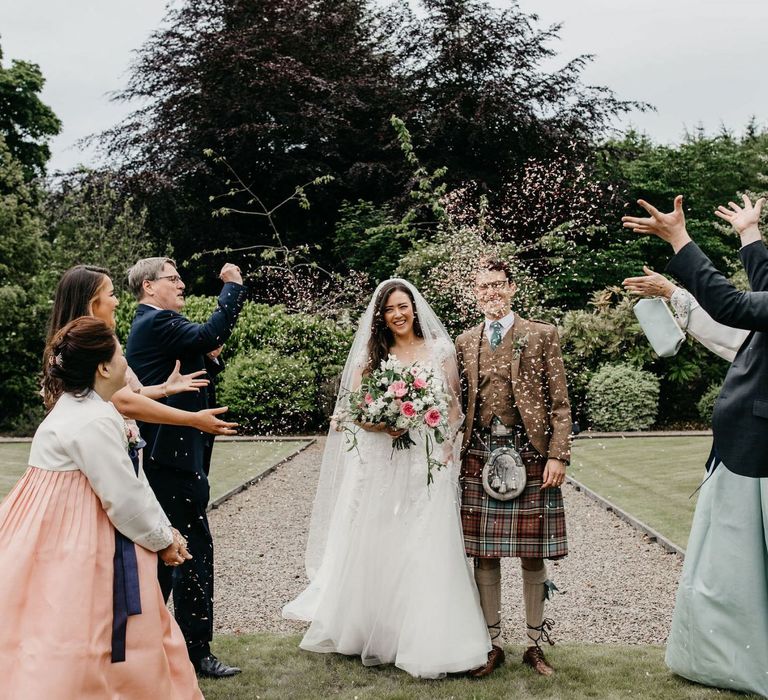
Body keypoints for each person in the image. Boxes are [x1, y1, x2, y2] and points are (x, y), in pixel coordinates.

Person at [283, 279, 491, 678]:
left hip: (426, 460)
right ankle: (375, 631)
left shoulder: (441, 351)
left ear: (414, 308)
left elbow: (453, 407)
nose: (398, 314)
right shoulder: (372, 356)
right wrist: (385, 424)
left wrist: (446, 447)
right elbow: (356, 412)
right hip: (384, 460)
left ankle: (429, 637)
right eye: (390, 309)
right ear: (381, 316)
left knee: (427, 541)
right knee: (380, 538)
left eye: (403, 306)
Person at [0, 316, 203, 699]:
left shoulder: (79, 408)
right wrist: (163, 539)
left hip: (49, 533)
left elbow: (130, 487)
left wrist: (164, 530)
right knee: (89, 628)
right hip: (80, 541)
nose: (126, 359)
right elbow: (123, 496)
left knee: (48, 626)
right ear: (104, 366)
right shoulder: (93, 419)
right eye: (121, 351)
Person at [622, 194, 768, 697]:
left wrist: (679, 240)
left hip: (759, 456)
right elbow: (763, 286)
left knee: (742, 561)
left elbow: (732, 305)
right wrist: (749, 233)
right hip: (747, 448)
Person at [126, 256, 246, 678]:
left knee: (165, 552)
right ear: (148, 287)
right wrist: (233, 285)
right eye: (172, 278)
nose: (180, 284)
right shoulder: (156, 322)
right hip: (171, 460)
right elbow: (213, 330)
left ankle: (156, 646)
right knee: (191, 551)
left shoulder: (153, 325)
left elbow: (194, 362)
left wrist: (207, 357)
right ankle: (197, 652)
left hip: (168, 457)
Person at [455, 257, 571, 677]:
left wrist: (558, 454)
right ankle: (492, 644)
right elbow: (457, 402)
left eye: (498, 284)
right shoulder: (465, 340)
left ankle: (535, 645)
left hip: (532, 453)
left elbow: (560, 403)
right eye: (483, 286)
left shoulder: (541, 334)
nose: (491, 292)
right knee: (483, 555)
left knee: (532, 554)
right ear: (474, 292)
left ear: (513, 288)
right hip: (480, 451)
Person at [46, 264, 239, 440]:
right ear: (92, 302)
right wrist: (193, 419)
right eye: (112, 294)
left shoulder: (65, 343)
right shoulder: (91, 343)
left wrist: (164, 388)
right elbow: (124, 401)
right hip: (97, 439)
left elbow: (124, 394)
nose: (117, 302)